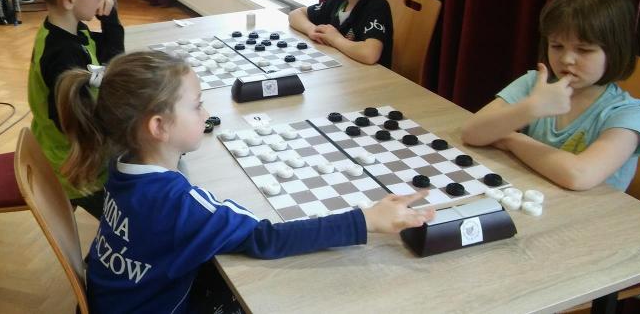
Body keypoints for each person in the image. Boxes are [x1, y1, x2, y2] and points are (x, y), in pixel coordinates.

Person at [54, 51, 435, 313]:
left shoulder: (122, 165)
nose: (207, 112)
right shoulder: (178, 204)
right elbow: (267, 238)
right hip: (155, 306)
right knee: (267, 295)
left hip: (116, 300)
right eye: (197, 105)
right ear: (158, 127)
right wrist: (366, 219)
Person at [461, 0, 640, 191]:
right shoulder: (536, 83)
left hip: (592, 211)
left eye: (584, 50)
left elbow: (579, 176)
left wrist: (509, 139)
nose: (567, 59)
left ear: (616, 51)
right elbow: (471, 132)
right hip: (537, 192)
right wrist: (531, 108)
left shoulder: (628, 113)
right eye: (557, 46)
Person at [28, 0, 124, 217]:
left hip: (75, 153)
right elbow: (77, 123)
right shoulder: (62, 56)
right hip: (77, 168)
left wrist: (110, 20)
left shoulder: (68, 32)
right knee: (136, 220)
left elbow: (107, 64)